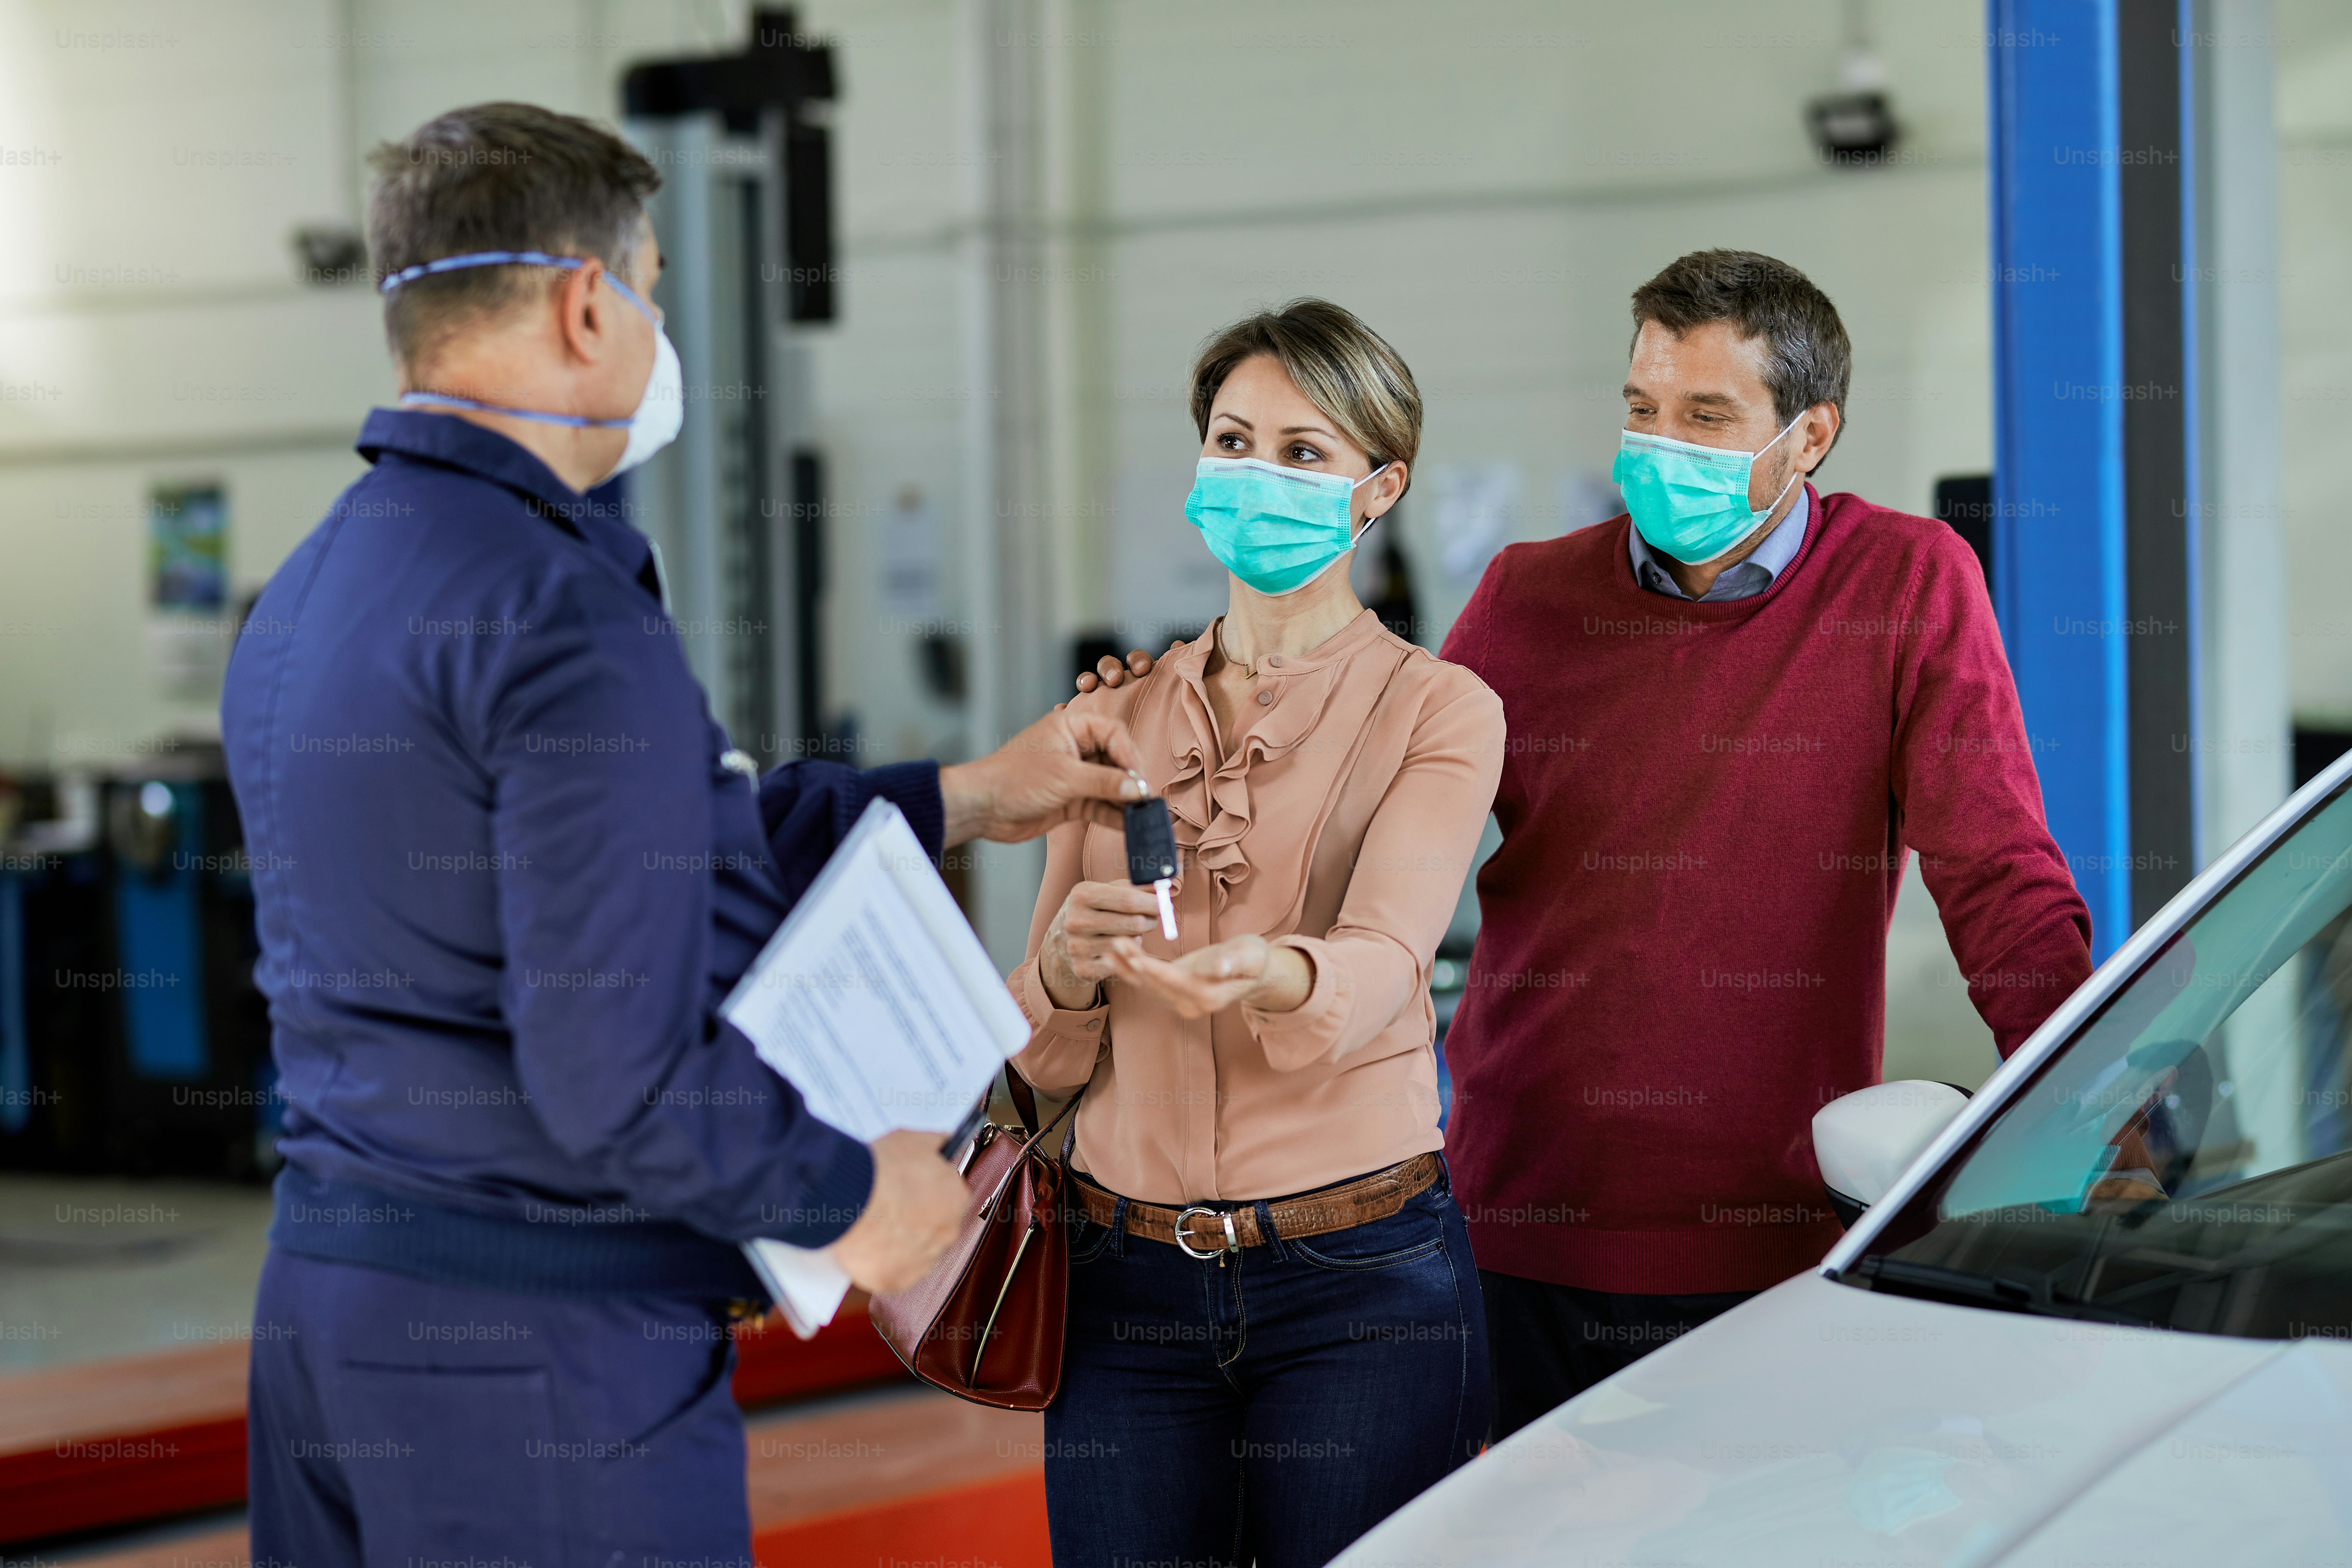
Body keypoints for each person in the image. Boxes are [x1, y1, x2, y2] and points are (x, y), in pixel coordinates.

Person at [220, 103, 1151, 1567]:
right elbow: (615, 1070)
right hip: (543, 1361)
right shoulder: (563, 616)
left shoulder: (309, 591)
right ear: (590, 302)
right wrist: (860, 1200)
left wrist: (965, 795)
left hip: (330, 1319)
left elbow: (617, 863)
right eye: (650, 285)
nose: (655, 327)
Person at [1440, 250, 2095, 1433]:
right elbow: (1383, 836)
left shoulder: (1906, 581)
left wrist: (2090, 1092)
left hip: (1776, 1224)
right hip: (1523, 1215)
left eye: (1707, 416)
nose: (1661, 447)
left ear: (1809, 436)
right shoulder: (1522, 598)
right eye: (1642, 410)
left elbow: (1994, 864)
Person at [1014, 299, 1504, 1568]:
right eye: (1234, 441)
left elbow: (1391, 956)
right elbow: (1040, 1058)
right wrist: (1064, 973)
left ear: (1377, 487)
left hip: (1360, 1286)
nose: (1259, 475)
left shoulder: (1441, 708)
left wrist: (1280, 971)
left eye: (1304, 452)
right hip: (1125, 1291)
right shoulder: (1113, 718)